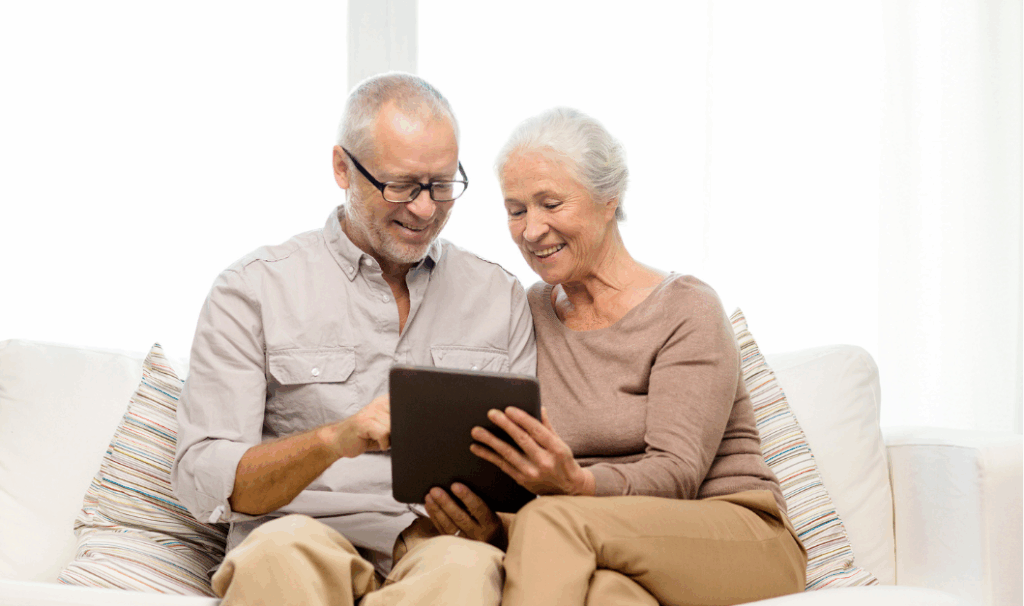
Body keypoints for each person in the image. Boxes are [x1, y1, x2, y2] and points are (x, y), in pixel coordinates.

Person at [170, 72, 536, 606]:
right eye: (402, 185)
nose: (425, 209)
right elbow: (203, 479)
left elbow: (520, 473)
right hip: (300, 534)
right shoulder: (252, 289)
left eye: (441, 185)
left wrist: (496, 526)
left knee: (468, 569)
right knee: (275, 558)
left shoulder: (498, 296)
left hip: (439, 544)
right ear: (342, 167)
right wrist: (333, 439)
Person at [428, 107, 808, 606]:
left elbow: (677, 472)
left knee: (549, 519)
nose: (532, 229)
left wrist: (577, 484)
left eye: (551, 203)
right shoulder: (527, 314)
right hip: (603, 537)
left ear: (609, 200)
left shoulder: (685, 306)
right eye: (516, 210)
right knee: (606, 595)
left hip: (736, 533)